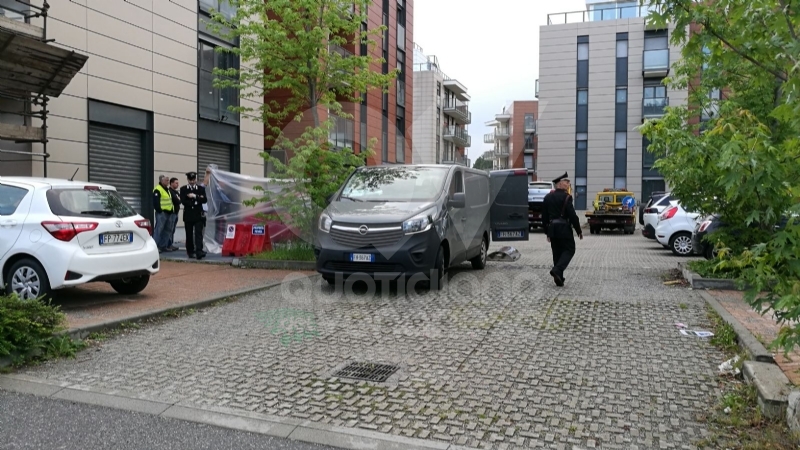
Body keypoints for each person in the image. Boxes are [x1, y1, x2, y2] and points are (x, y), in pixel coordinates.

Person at [541, 172, 583, 287]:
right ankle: (557, 270)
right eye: (566, 182)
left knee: (557, 253)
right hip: (564, 228)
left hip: (552, 229)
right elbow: (572, 215)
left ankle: (559, 277)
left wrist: (546, 232)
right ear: (559, 184)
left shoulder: (547, 197)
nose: (569, 183)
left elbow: (544, 217)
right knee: (570, 249)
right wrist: (578, 230)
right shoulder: (566, 197)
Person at [180, 171, 207, 260]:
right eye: (190, 180)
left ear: (195, 179)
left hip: (198, 214)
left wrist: (194, 196)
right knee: (189, 234)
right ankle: (190, 251)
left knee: (198, 233)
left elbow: (204, 200)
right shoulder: (183, 189)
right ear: (188, 180)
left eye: (193, 179)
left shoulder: (200, 189)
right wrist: (196, 201)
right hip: (188, 214)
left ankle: (199, 250)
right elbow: (184, 201)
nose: (192, 182)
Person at [152, 175, 174, 253]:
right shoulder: (158, 189)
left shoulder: (166, 189)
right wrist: (159, 210)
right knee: (159, 230)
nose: (168, 182)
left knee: (167, 230)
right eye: (166, 180)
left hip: (169, 213)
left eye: (168, 180)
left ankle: (163, 246)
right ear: (162, 181)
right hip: (162, 213)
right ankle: (154, 247)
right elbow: (155, 202)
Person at [166, 177, 181, 251]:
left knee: (173, 229)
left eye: (178, 183)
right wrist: (178, 199)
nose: (177, 184)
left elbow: (180, 200)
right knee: (170, 229)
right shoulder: (170, 191)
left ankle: (170, 243)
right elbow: (176, 200)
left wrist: (178, 199)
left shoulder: (176, 192)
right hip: (172, 213)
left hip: (176, 213)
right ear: (171, 183)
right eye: (176, 183)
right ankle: (168, 244)